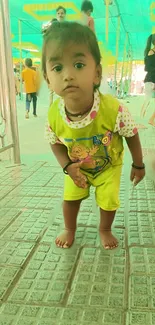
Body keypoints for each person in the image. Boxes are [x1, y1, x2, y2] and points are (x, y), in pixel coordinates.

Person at [43, 22, 145, 250]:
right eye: (57, 68)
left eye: (78, 65)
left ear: (97, 73)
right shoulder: (53, 115)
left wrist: (138, 164)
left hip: (108, 166)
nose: (68, 75)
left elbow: (132, 134)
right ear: (48, 79)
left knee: (109, 201)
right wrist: (67, 166)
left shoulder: (113, 110)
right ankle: (70, 228)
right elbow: (55, 142)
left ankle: (105, 229)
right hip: (77, 167)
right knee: (70, 199)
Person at [141, 34, 155, 125]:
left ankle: (151, 120)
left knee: (147, 100)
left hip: (152, 79)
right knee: (147, 101)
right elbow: (148, 68)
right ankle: (141, 120)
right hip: (151, 79)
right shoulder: (151, 52)